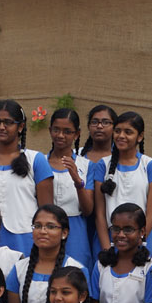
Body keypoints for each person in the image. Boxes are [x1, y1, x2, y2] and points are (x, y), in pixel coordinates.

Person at [0, 99, 54, 254]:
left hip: (27, 240)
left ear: (20, 127)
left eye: (8, 122)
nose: (1, 127)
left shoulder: (36, 160)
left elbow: (47, 212)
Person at [90, 111, 152, 257]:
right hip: (108, 240)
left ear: (140, 136)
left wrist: (138, 243)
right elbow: (100, 214)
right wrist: (107, 249)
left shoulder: (150, 165)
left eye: (128, 132)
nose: (121, 136)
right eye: (117, 131)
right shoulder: (103, 165)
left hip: (140, 242)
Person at [6, 205, 84, 303]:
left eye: (50, 227)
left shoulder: (76, 269)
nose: (42, 231)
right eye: (37, 226)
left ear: (64, 233)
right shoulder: (18, 269)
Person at [47, 108, 93, 267]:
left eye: (67, 131)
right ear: (50, 130)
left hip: (76, 230)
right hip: (46, 226)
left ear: (77, 134)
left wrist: (77, 180)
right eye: (56, 130)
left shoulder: (86, 165)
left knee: (75, 272)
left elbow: (88, 210)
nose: (60, 135)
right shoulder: (39, 162)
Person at [79, 105, 117, 265]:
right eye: (95, 122)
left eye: (106, 122)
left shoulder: (120, 158)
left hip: (108, 223)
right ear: (88, 126)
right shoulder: (76, 156)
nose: (99, 126)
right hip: (81, 222)